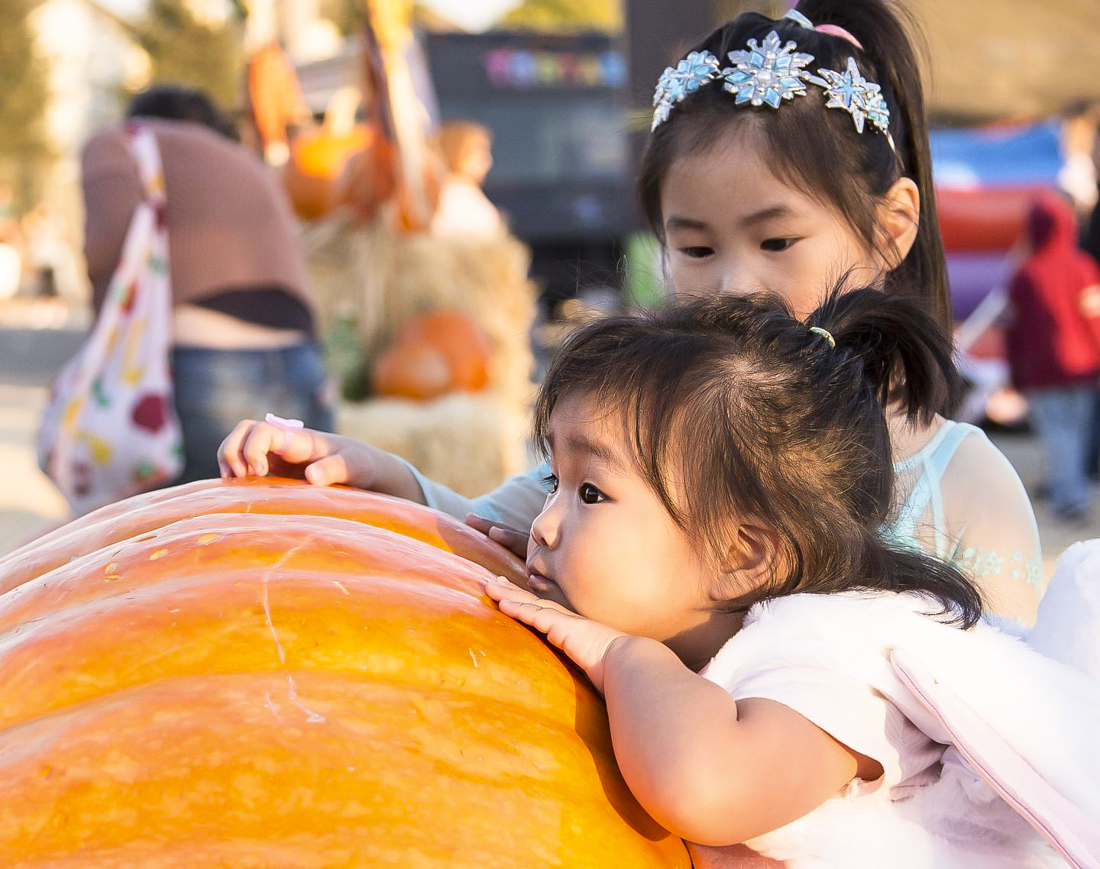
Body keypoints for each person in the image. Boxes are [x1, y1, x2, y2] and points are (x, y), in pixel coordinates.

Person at [217, 0, 1042, 624]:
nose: (733, 288)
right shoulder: (630, 430)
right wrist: (377, 479)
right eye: (698, 248)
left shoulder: (963, 486)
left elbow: (1010, 753)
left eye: (777, 240)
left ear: (892, 224)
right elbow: (491, 531)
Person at [483, 290, 1100, 868]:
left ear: (741, 557)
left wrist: (622, 654)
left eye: (590, 492)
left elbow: (705, 788)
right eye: (551, 484)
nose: (544, 526)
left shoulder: (834, 662)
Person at [81, 83, 333, 485]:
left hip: (206, 360)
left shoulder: (119, 140)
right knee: (280, 529)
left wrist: (102, 344)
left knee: (187, 536)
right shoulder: (245, 162)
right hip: (303, 362)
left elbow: (108, 241)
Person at [1005, 193, 1100, 523]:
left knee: (1058, 434)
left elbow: (1014, 331)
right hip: (1083, 369)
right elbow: (1094, 321)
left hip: (1042, 373)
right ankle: (1072, 495)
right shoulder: (1084, 268)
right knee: (1078, 432)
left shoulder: (1024, 276)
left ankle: (1068, 497)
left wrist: (1016, 374)